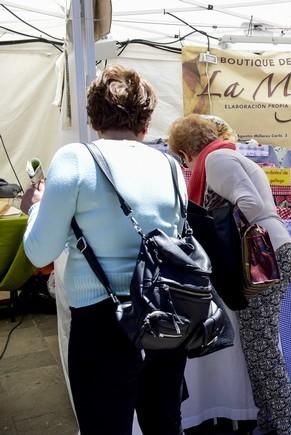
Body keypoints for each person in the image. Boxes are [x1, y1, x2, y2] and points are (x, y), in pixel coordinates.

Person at [21, 65, 188, 435]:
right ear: (146, 118)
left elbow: (39, 252)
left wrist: (35, 205)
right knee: (164, 425)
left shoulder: (75, 159)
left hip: (102, 322)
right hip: (164, 314)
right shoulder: (170, 164)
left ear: (93, 115)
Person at [167, 114, 291, 435]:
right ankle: (271, 421)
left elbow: (251, 206)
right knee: (258, 345)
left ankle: (288, 427)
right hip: (269, 250)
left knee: (263, 347)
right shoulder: (225, 155)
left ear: (187, 150)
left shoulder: (216, 160)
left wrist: (216, 230)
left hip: (261, 256)